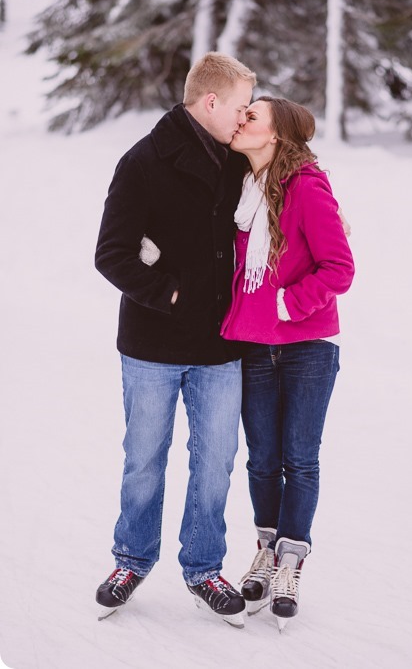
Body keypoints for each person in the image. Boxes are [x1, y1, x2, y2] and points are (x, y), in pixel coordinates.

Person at [94, 52, 256, 628]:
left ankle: (204, 568)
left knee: (215, 463)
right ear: (210, 102)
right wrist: (171, 294)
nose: (244, 118)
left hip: (220, 345)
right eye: (239, 107)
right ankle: (132, 559)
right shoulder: (142, 161)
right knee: (144, 460)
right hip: (153, 345)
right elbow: (110, 254)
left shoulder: (241, 162)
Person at [220, 97, 355, 630]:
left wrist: (289, 303)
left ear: (276, 136)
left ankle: (290, 563)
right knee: (261, 460)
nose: (241, 120)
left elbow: (339, 267)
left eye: (252, 116)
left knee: (299, 460)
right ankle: (266, 549)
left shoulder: (305, 186)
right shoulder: (242, 188)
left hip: (305, 348)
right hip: (254, 345)